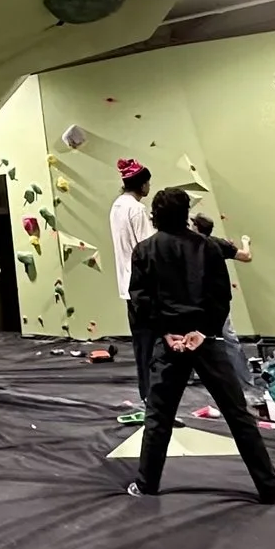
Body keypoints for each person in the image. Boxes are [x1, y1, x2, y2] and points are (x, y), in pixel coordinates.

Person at [128, 189, 275, 504]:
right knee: (237, 415)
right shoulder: (209, 249)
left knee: (159, 416)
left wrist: (166, 334)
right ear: (185, 214)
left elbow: (140, 301)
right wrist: (203, 332)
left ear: (155, 216)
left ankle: (146, 485)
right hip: (207, 342)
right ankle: (271, 490)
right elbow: (221, 298)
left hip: (170, 344)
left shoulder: (144, 251)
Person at [188, 213, 261, 398]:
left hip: (196, 302)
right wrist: (245, 242)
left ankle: (186, 377)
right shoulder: (218, 244)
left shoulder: (186, 245)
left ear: (196, 227)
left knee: (189, 337)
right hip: (217, 303)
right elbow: (246, 256)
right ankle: (246, 382)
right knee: (230, 341)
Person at [109, 161, 156, 406]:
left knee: (141, 344)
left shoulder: (116, 206)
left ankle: (146, 392)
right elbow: (147, 249)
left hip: (128, 285)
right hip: (144, 287)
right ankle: (153, 394)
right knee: (153, 344)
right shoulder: (136, 210)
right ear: (142, 184)